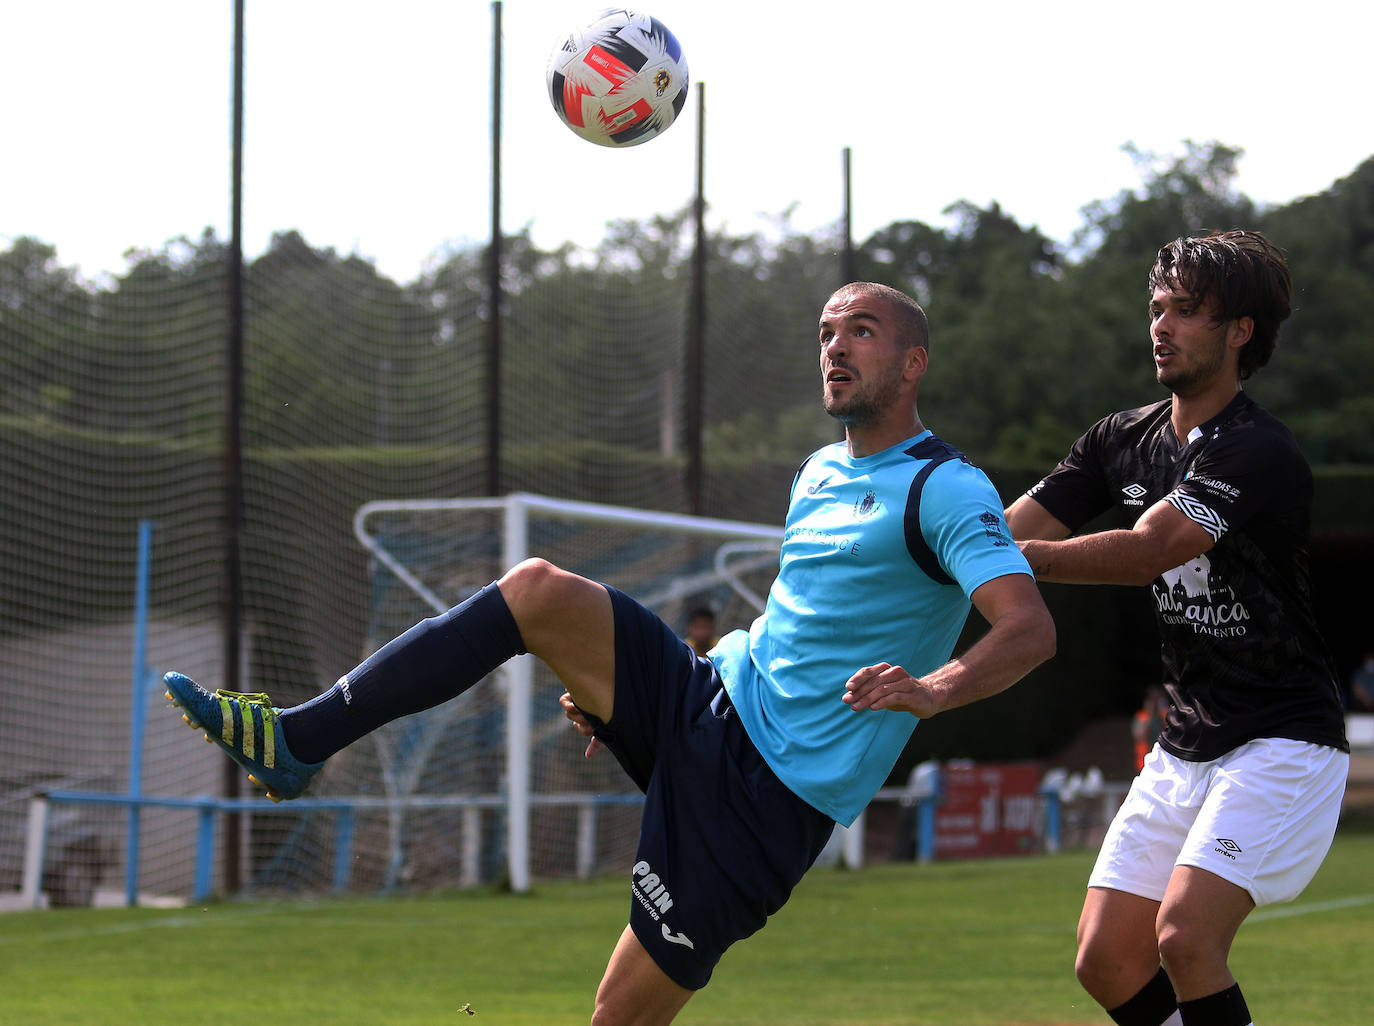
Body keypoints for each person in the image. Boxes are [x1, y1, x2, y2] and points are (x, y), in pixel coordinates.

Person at [163, 281, 1054, 1026]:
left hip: (764, 801)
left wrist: (934, 689)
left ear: (912, 363)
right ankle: (297, 741)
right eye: (825, 331)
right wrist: (619, 692)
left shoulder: (946, 488)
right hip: (710, 699)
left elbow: (1027, 628)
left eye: (861, 331)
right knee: (539, 591)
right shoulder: (818, 472)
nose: (835, 346)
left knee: (616, 1021)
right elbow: (803, 622)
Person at [1004, 230, 1349, 1026]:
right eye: (1157, 308)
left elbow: (1149, 551)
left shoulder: (1260, 450)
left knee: (1186, 938)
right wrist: (920, 545)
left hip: (1282, 740)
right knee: (1104, 958)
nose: (1160, 325)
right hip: (1186, 742)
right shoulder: (1118, 439)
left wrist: (1016, 560)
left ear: (1240, 332)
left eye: (1187, 311)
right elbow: (1006, 528)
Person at [1131, 685, 1169, 773]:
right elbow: (1139, 736)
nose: (1155, 703)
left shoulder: (1167, 716)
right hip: (1144, 764)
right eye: (1152, 700)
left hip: (1165, 763)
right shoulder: (1142, 717)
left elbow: (1174, 734)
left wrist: (1163, 714)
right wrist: (1149, 715)